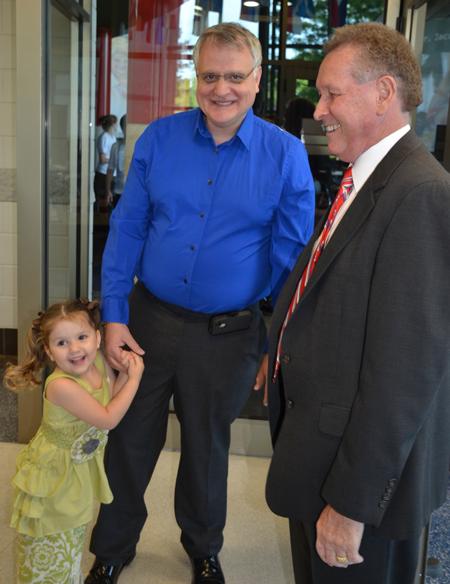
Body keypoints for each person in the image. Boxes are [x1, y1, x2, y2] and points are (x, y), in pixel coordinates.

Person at [86, 22, 315, 584]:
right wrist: (114, 317)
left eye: (235, 77)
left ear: (256, 80)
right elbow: (127, 231)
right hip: (148, 322)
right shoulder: (158, 141)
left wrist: (278, 346)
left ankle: (204, 548)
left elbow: (293, 266)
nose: (222, 89)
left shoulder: (286, 157)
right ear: (196, 75)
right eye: (210, 75)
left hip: (229, 334)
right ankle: (113, 548)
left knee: (208, 449)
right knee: (128, 441)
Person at [264, 22, 450, 584]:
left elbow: (405, 373)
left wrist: (349, 506)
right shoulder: (367, 180)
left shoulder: (420, 194)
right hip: (319, 454)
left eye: (331, 94)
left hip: (357, 490)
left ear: (384, 93)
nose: (318, 110)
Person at [4, 299, 144, 584]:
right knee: (50, 539)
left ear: (97, 338)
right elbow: (107, 419)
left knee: (71, 537)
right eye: (62, 343)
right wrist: (135, 379)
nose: (75, 349)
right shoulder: (61, 386)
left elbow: (111, 396)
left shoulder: (99, 362)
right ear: (49, 352)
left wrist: (125, 375)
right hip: (54, 476)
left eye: (81, 337)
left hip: (75, 470)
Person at [94, 114, 118, 211]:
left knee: (110, 200)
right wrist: (114, 160)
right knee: (103, 200)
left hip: (112, 173)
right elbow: (102, 159)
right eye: (115, 124)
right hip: (103, 173)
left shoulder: (112, 137)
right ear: (111, 125)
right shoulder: (104, 137)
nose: (116, 127)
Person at [105, 114, 127, 209]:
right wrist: (108, 190)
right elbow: (110, 170)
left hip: (136, 194)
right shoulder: (116, 147)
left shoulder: (142, 146)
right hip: (119, 192)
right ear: (123, 128)